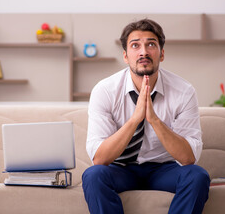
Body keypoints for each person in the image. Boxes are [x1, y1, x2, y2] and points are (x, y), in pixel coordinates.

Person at [82, 18, 210, 214]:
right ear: (125, 56)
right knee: (93, 175)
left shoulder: (184, 91)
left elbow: (188, 158)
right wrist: (135, 120)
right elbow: (99, 158)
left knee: (197, 175)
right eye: (135, 46)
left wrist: (154, 120)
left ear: (162, 53)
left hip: (164, 168)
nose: (143, 52)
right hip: (121, 168)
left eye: (151, 44)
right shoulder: (105, 91)